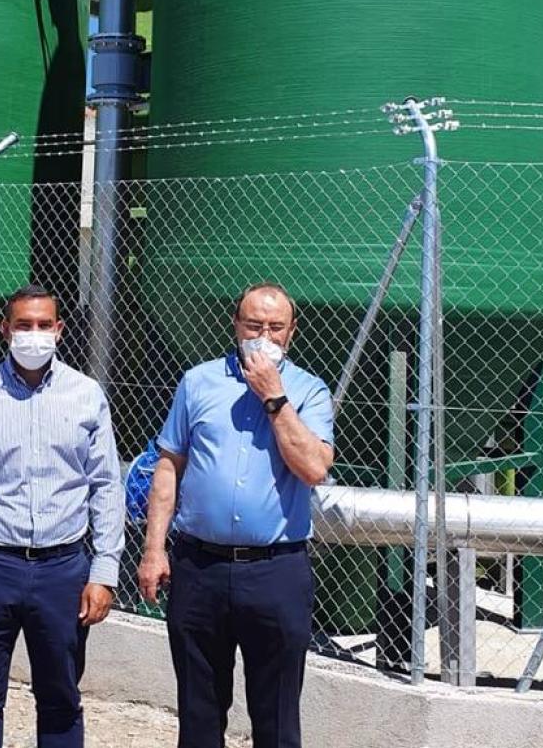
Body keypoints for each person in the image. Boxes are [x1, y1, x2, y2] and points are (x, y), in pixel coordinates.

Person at [0, 284, 126, 748]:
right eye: (23, 326)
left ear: (60, 330)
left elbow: (106, 487)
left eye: (43, 326)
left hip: (63, 570)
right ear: (5, 330)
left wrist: (104, 571)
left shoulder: (86, 396)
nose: (34, 335)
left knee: (60, 698)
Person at [138, 282, 335, 748]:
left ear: (292, 332)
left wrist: (274, 398)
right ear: (236, 326)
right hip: (198, 567)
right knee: (199, 712)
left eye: (275, 327)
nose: (263, 335)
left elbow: (313, 467)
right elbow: (169, 465)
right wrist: (152, 550)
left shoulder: (309, 390)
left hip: (276, 570)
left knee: (278, 716)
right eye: (254, 325)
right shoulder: (198, 382)